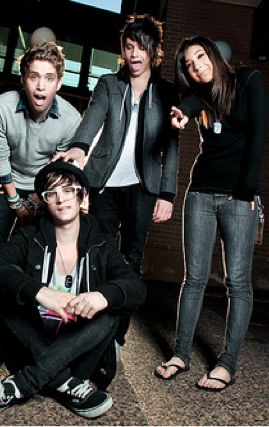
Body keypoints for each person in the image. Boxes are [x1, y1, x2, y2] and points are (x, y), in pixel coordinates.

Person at [0, 160, 146, 419]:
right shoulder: (30, 237)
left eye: (68, 190)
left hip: (78, 348)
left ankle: (22, 384)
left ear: (82, 195)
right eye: (52, 193)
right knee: (7, 293)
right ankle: (64, 382)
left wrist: (103, 296)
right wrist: (39, 291)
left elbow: (136, 288)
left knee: (111, 308)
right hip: (31, 345)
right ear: (45, 201)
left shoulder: (102, 242)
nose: (61, 199)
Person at [52, 13, 179, 348]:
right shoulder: (110, 83)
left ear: (154, 50)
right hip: (105, 183)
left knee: (131, 260)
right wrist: (79, 147)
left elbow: (171, 146)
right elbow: (93, 116)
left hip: (143, 186)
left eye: (141, 47)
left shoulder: (167, 92)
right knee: (97, 254)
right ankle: (90, 329)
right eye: (129, 46)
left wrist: (167, 193)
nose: (134, 54)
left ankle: (115, 335)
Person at [153, 36, 268, 391]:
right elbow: (189, 102)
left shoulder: (248, 80)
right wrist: (182, 112)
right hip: (200, 193)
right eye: (188, 64)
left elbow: (259, 134)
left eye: (200, 57)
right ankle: (180, 355)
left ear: (213, 55)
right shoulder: (198, 96)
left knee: (238, 282)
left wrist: (247, 189)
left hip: (238, 197)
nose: (196, 66)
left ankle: (227, 364)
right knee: (194, 278)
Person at [0, 41, 82, 351]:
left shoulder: (71, 119)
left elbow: (56, 169)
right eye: (34, 76)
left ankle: (12, 331)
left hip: (43, 190)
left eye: (49, 78)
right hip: (6, 182)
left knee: (33, 260)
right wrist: (15, 201)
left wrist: (34, 202)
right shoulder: (2, 106)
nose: (40, 86)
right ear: (23, 79)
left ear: (59, 82)